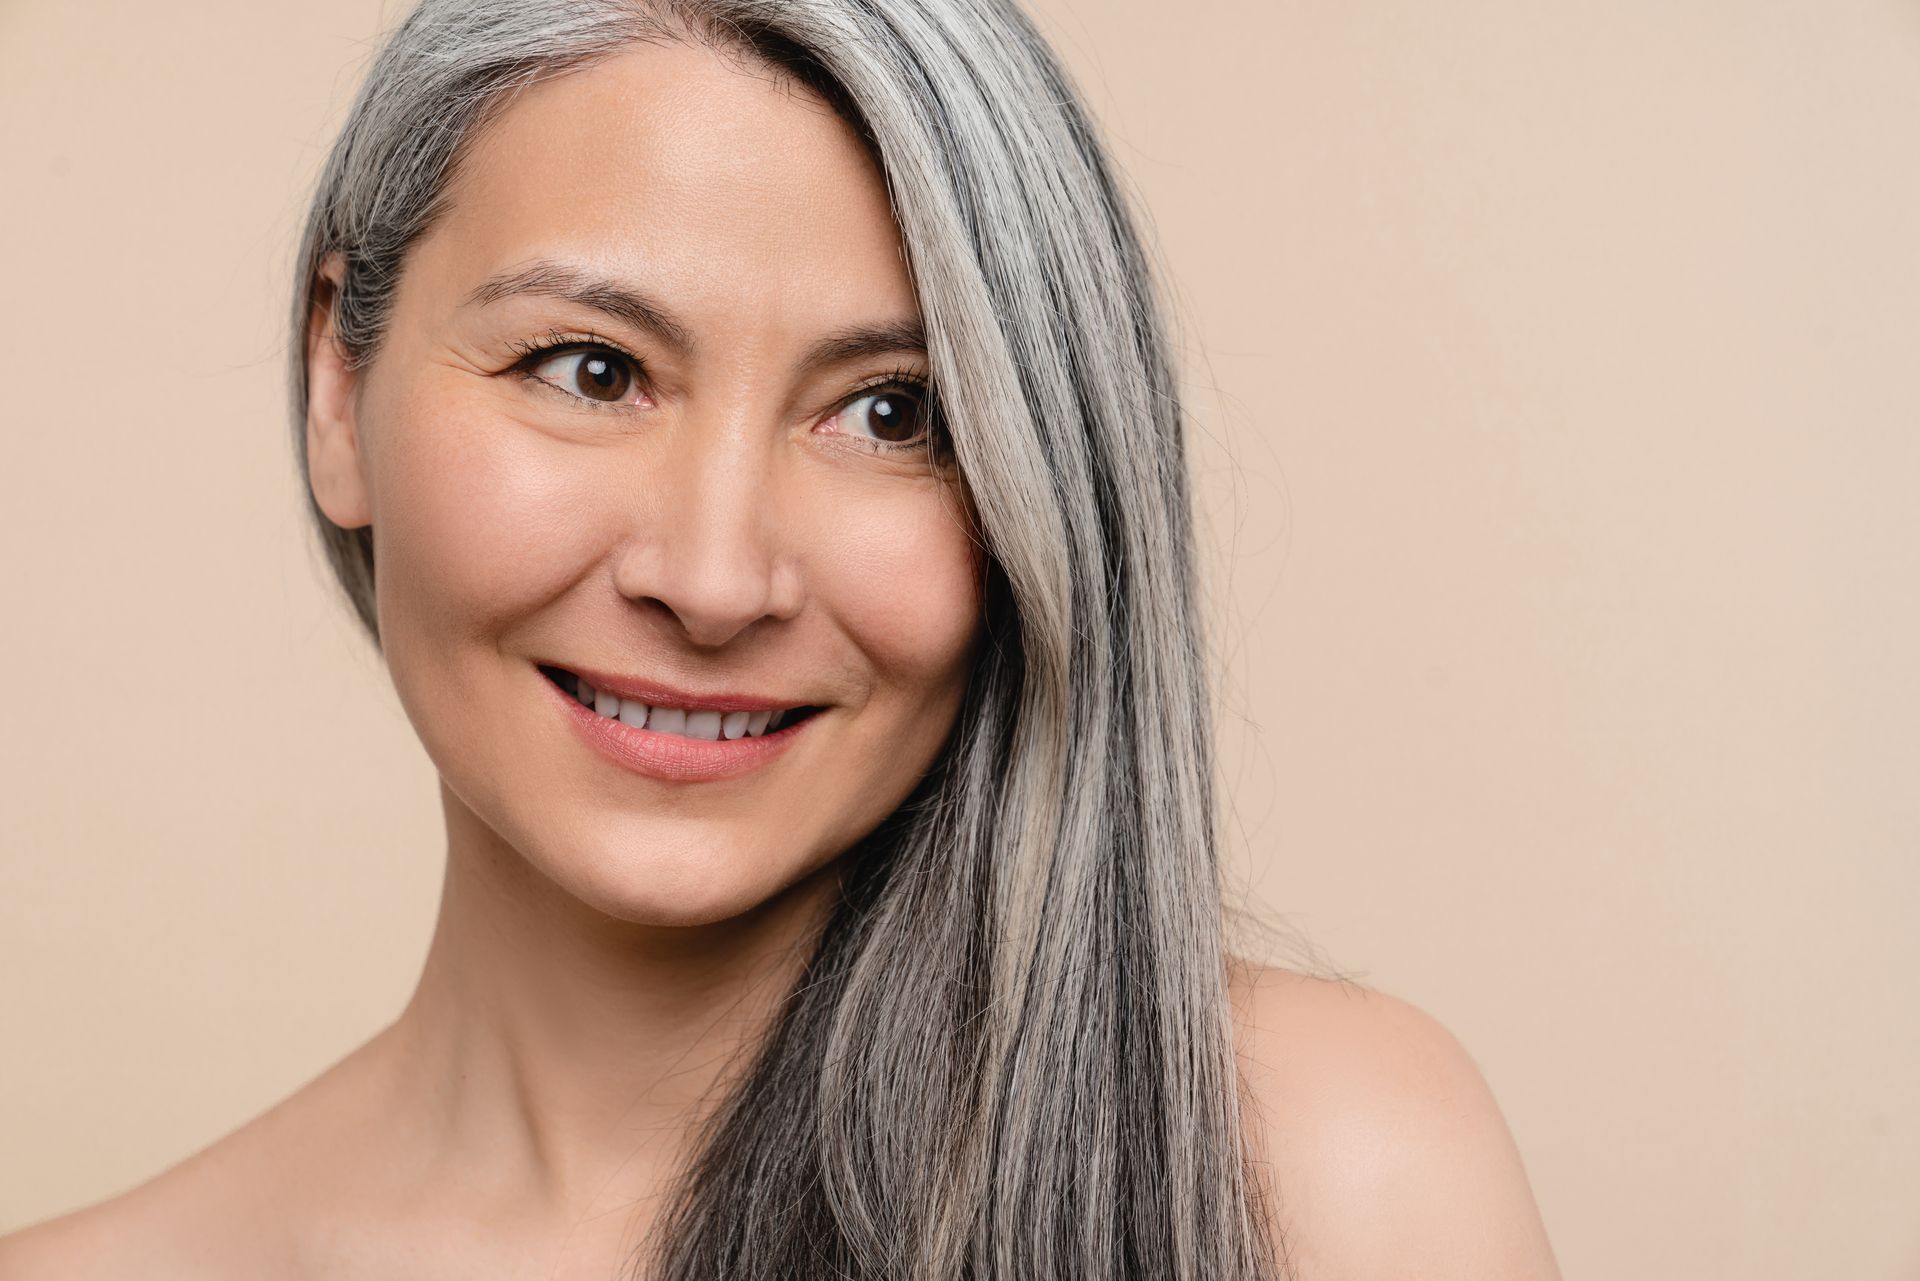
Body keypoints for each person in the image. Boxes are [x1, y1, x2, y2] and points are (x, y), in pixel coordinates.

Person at [0, 1, 1562, 1277]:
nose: (716, 572)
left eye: (893, 413)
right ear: (338, 386)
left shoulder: (1325, 1175)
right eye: (590, 369)